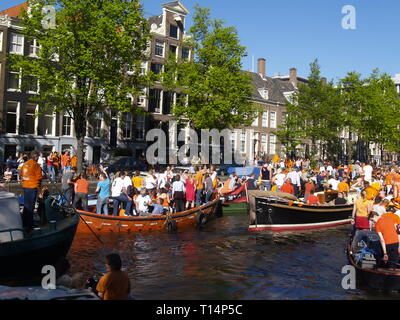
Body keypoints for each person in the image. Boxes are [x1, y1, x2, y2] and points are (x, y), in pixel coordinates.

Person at [20, 151, 43, 230]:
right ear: (36, 157)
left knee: (26, 206)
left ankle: (24, 223)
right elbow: (39, 177)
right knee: (31, 206)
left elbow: (21, 174)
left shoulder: (24, 164)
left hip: (25, 186)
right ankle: (29, 225)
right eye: (38, 157)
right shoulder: (36, 165)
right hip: (32, 186)